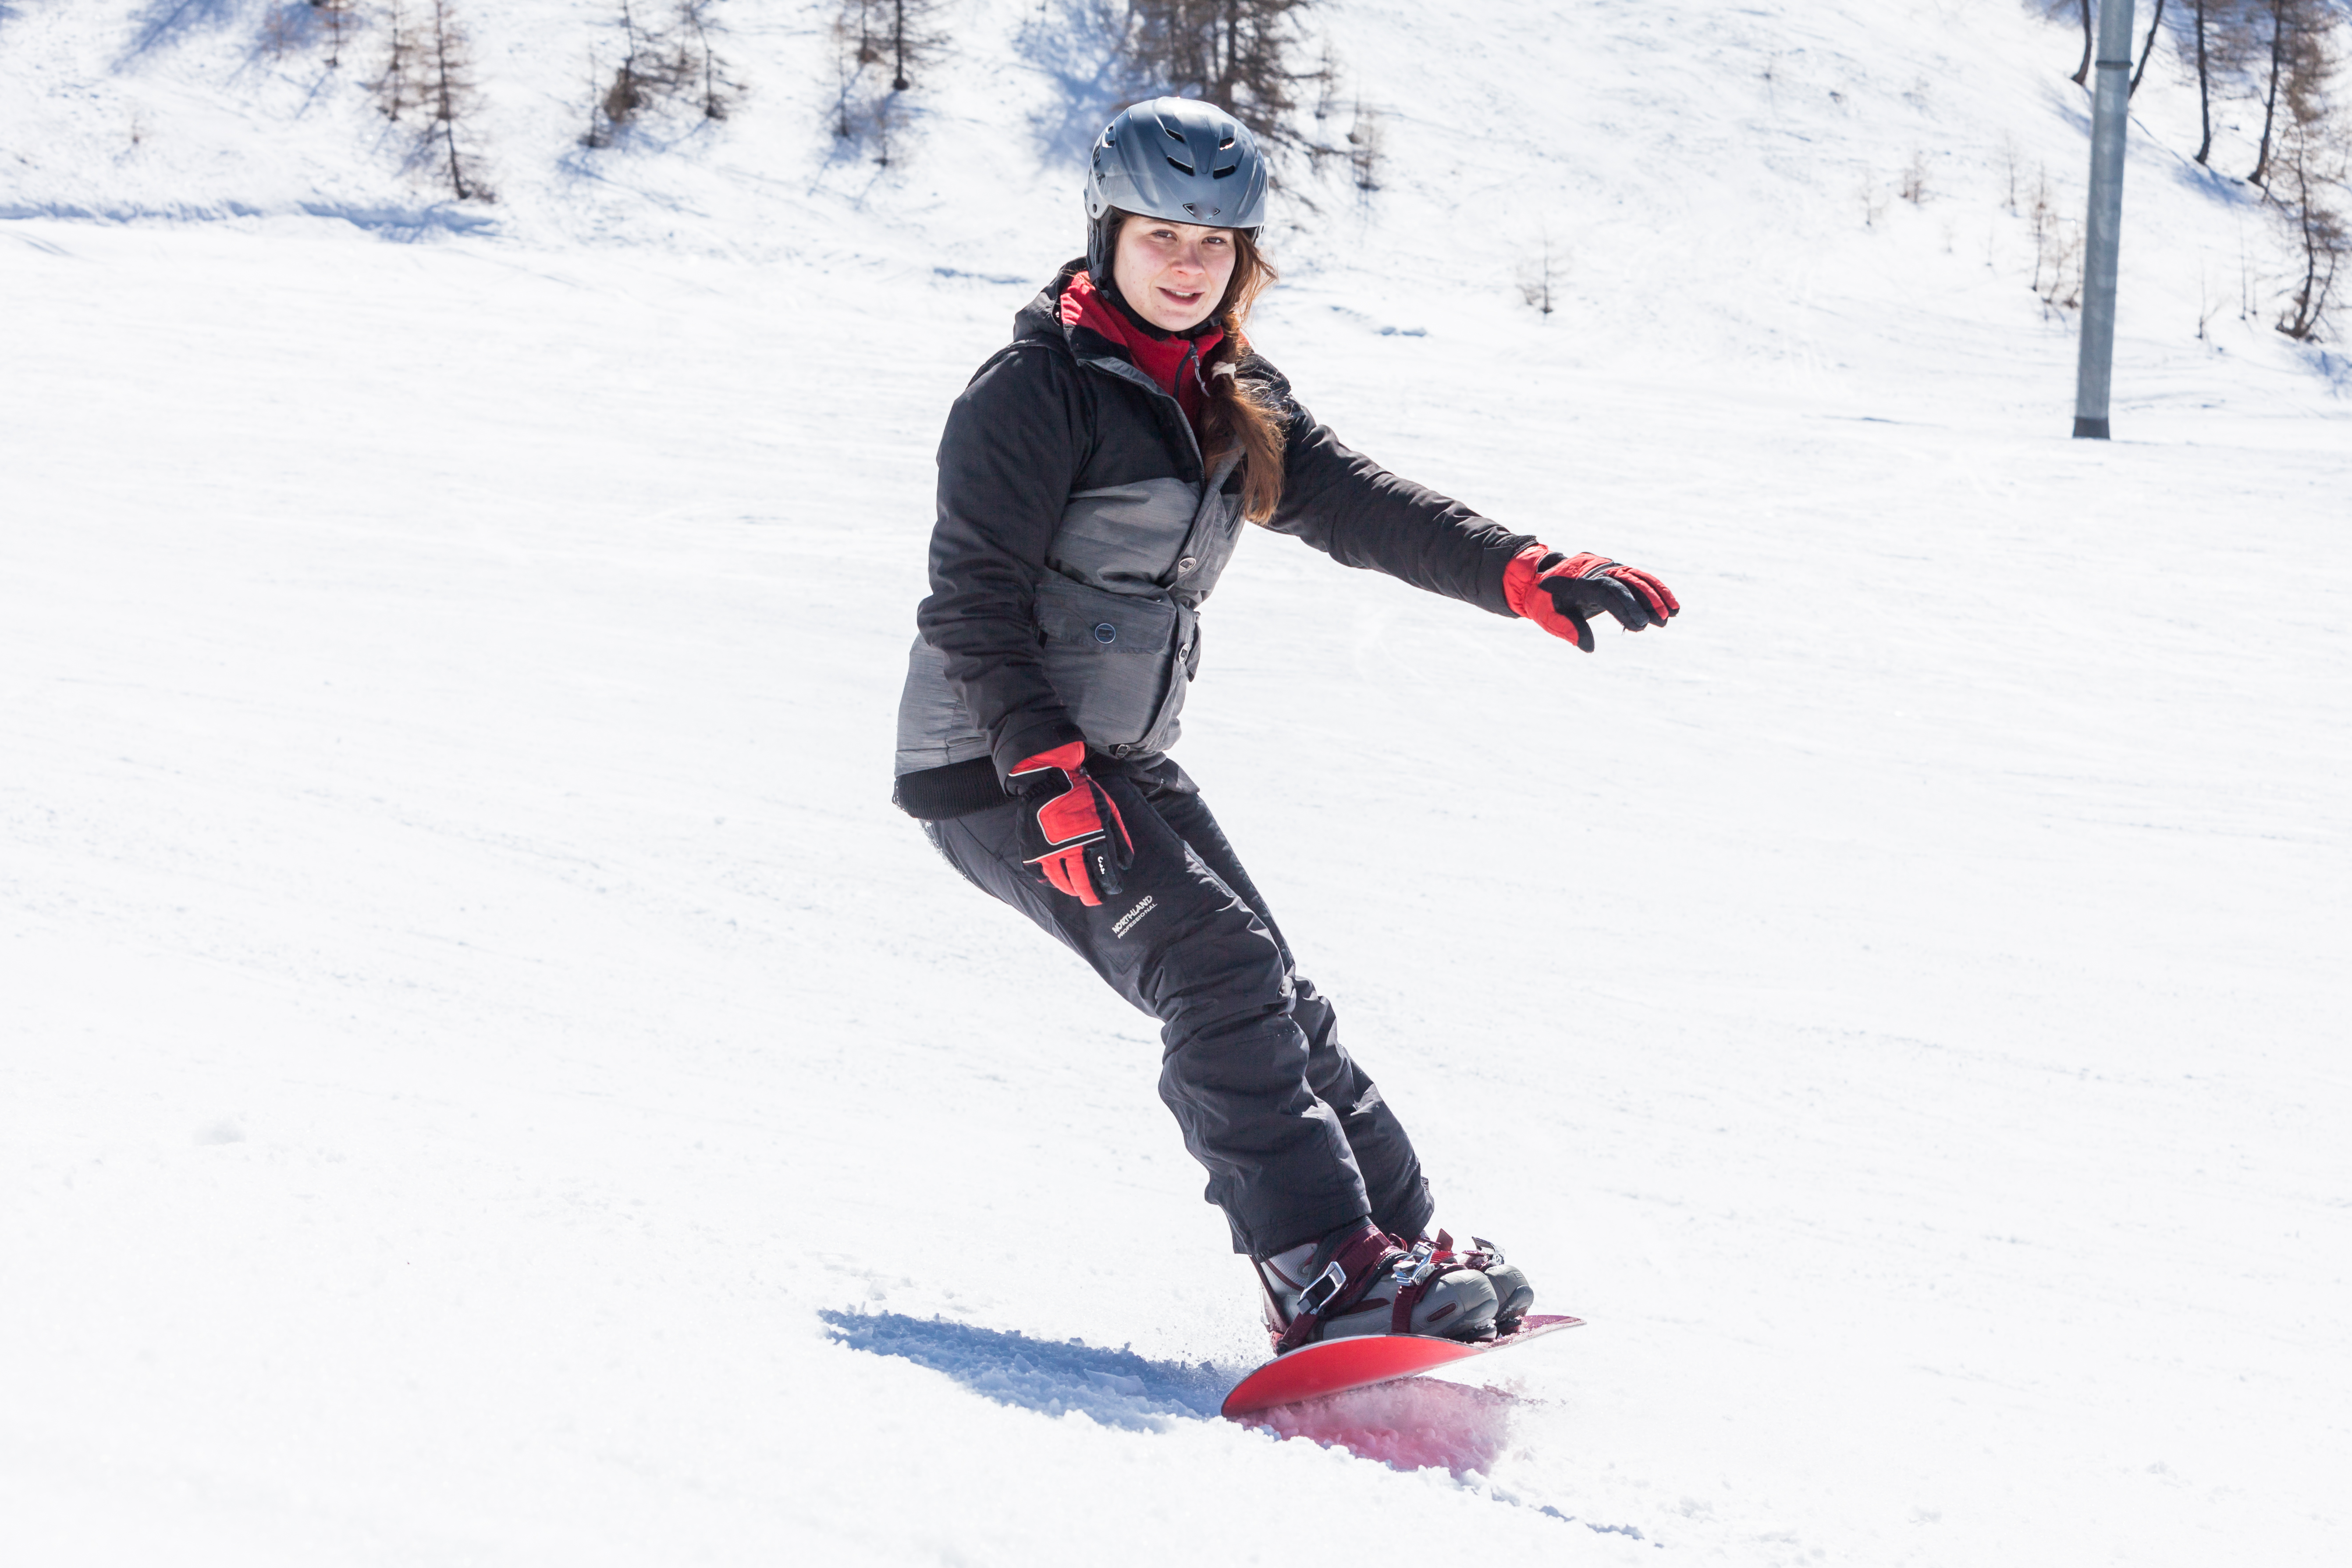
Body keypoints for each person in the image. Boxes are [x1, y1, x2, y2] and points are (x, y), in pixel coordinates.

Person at [892, 97, 1678, 1353]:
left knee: (1277, 994)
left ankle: (1401, 1250)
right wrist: (1043, 772)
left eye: (1214, 246)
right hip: (992, 764)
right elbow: (972, 601)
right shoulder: (1033, 393)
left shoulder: (1228, 390)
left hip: (1117, 758)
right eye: (1161, 237)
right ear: (1106, 235)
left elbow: (1356, 500)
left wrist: (1520, 568)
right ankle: (1319, 1271)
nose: (1187, 265)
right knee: (1216, 972)